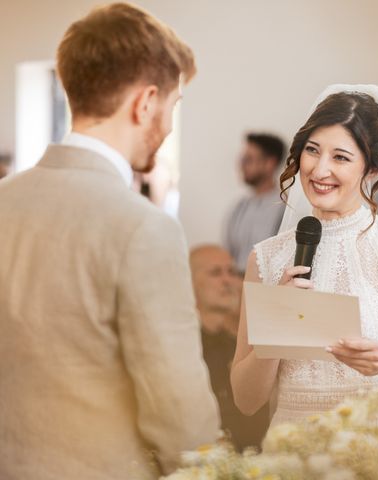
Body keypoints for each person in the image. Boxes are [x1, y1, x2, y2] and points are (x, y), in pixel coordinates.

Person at [0, 4, 220, 479]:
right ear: (145, 103)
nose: (167, 124)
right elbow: (179, 412)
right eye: (173, 106)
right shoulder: (144, 227)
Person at [230, 84, 378, 467]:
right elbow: (246, 401)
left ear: (373, 167)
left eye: (340, 157)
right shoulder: (266, 257)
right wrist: (277, 326)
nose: (319, 169)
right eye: (312, 150)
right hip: (292, 461)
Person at [190, 245, 269, 450]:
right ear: (189, 282)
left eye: (232, 272)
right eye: (215, 273)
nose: (228, 281)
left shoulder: (246, 346)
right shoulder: (183, 348)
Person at [225, 133, 286, 272]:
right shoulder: (239, 207)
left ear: (270, 163)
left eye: (248, 159)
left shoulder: (283, 208)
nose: (241, 165)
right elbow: (228, 253)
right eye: (242, 159)